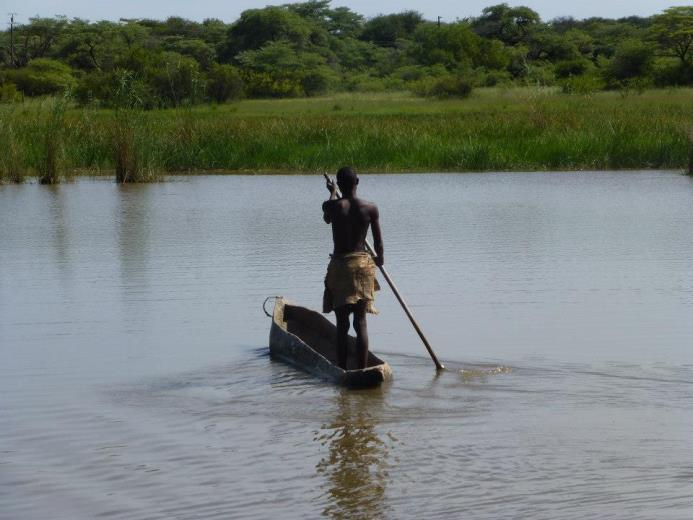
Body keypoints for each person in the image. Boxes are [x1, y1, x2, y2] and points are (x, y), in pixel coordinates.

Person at [322, 167, 384, 370]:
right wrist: (380, 260)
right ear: (358, 181)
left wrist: (332, 192)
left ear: (339, 185)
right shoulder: (371, 208)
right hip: (363, 266)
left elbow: (327, 217)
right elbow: (379, 245)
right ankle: (363, 369)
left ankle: (342, 371)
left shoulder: (332, 206)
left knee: (342, 325)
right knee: (361, 322)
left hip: (341, 267)